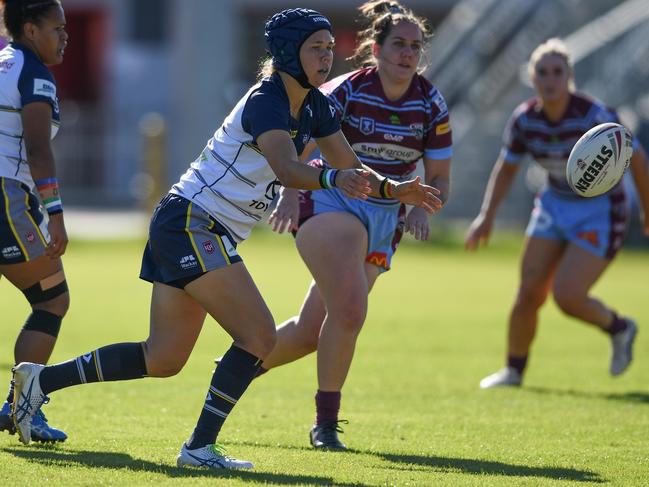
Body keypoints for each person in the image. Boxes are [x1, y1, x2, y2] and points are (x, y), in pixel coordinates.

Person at [11, 8, 440, 470]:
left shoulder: (316, 105)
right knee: (258, 334)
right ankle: (199, 449)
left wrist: (396, 189)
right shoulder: (267, 100)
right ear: (287, 53)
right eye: (316, 48)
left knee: (162, 358)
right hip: (191, 221)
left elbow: (350, 165)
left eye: (329, 48)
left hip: (195, 226)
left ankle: (38, 382)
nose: (326, 56)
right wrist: (335, 180)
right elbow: (288, 170)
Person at [258, 0, 452, 449]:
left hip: (388, 214)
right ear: (375, 48)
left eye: (415, 46)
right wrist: (289, 191)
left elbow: (441, 175)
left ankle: (236, 369)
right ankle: (326, 425)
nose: (407, 53)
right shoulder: (344, 90)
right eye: (398, 44)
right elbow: (299, 147)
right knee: (349, 310)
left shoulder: (431, 103)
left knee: (312, 330)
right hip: (331, 198)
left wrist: (424, 206)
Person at [465, 38, 649, 389]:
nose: (550, 79)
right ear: (532, 78)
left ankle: (620, 328)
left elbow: (637, 160)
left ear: (569, 76)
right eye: (542, 72)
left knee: (567, 295)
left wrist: (648, 211)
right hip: (553, 204)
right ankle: (514, 371)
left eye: (557, 71)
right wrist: (486, 216)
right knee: (528, 292)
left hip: (601, 210)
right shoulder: (524, 120)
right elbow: (506, 169)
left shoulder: (595, 117)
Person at [0, 0, 69, 443]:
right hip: (6, 198)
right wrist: (56, 214)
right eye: (57, 28)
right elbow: (38, 149)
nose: (65, 36)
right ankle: (20, 409)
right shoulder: (32, 72)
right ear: (30, 29)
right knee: (51, 301)